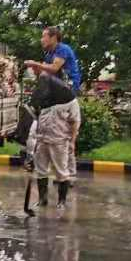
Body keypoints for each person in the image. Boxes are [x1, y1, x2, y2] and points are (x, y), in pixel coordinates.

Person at [25, 26, 82, 182]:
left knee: (66, 135)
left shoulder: (62, 49)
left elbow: (54, 68)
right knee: (58, 134)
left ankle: (69, 174)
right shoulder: (49, 53)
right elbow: (45, 71)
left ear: (53, 37)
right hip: (56, 95)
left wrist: (36, 64)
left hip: (67, 91)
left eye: (44, 36)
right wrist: (36, 68)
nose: (41, 39)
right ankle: (62, 171)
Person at [29, 74, 81, 208]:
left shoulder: (70, 101)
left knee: (61, 172)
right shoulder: (44, 99)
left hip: (60, 141)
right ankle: (42, 200)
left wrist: (72, 141)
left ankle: (61, 201)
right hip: (42, 140)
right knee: (41, 170)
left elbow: (75, 121)